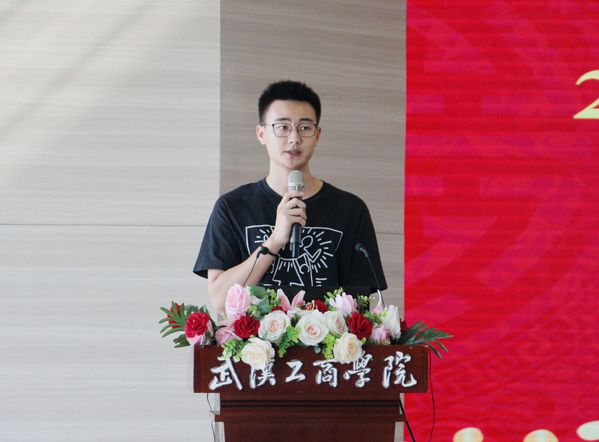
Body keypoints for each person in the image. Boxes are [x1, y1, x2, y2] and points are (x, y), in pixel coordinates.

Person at [194, 80, 386, 314]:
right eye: (282, 127)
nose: (294, 138)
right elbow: (220, 301)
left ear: (317, 135)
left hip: (330, 339)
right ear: (261, 133)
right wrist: (275, 240)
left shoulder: (351, 210)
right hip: (254, 339)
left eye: (304, 127)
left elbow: (362, 305)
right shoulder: (231, 207)